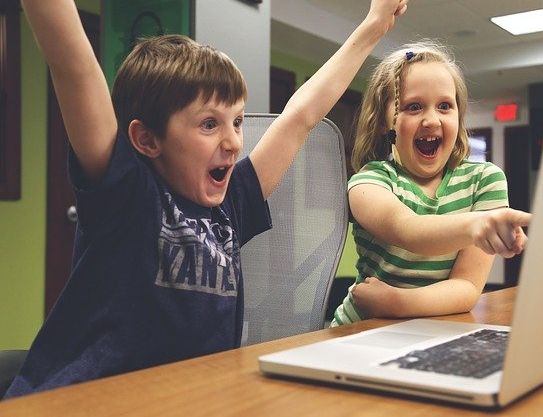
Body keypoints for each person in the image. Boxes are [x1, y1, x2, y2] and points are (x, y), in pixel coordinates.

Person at [5, 0, 408, 398]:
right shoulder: (125, 190)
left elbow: (300, 117)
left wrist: (373, 25)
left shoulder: (231, 203)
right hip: (81, 401)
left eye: (236, 121)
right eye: (209, 124)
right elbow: (72, 66)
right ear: (146, 140)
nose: (234, 142)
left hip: (188, 398)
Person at [331, 40, 531, 326]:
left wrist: (394, 303)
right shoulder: (368, 182)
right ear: (384, 122)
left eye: (445, 106)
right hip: (361, 330)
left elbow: (467, 288)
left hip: (429, 330)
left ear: (459, 116)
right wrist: (477, 225)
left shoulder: (485, 181)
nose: (431, 120)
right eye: (414, 107)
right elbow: (409, 230)